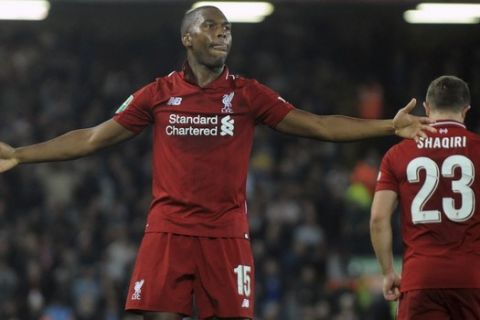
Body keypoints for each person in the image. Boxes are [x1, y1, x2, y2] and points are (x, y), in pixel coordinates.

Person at [0, 6, 434, 320]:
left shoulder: (248, 95)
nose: (223, 33)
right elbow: (93, 138)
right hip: (168, 231)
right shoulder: (158, 94)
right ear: (188, 38)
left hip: (226, 235)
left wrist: (386, 126)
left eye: (227, 28)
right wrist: (20, 154)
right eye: (211, 26)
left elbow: (319, 125)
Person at [370, 75, 480, 320]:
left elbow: (378, 218)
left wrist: (388, 272)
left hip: (420, 278)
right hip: (473, 277)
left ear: (427, 108)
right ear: (466, 110)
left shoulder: (398, 153)